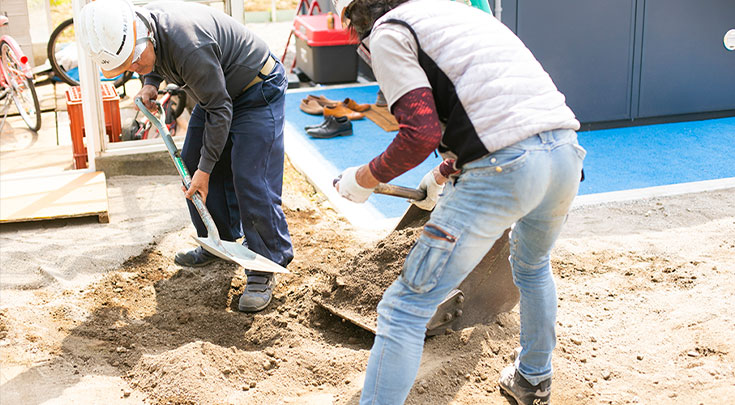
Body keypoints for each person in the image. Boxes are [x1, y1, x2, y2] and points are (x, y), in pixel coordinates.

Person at [331, 0, 586, 403]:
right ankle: (533, 378)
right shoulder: (459, 16)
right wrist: (442, 172)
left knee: (405, 308)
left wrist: (363, 179)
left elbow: (420, 133)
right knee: (532, 265)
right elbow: (484, 101)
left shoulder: (388, 32)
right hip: (564, 154)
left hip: (504, 169)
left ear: (360, 23)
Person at [76, 0, 293, 312]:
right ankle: (219, 241)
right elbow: (154, 64)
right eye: (129, 69)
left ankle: (265, 265)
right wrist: (149, 83)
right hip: (217, 91)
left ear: (144, 38)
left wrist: (206, 170)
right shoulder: (141, 29)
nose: (135, 70)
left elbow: (221, 110)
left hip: (257, 90)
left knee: (250, 177)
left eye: (136, 65)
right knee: (191, 162)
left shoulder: (188, 42)